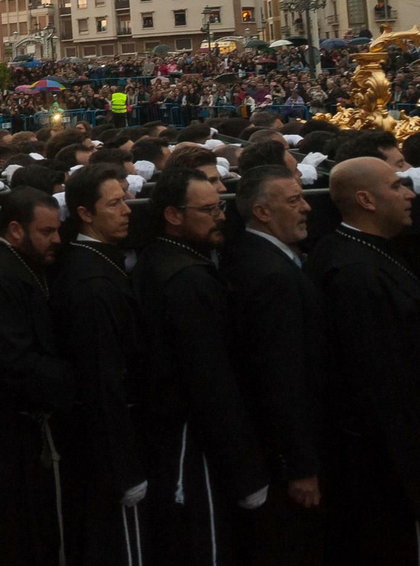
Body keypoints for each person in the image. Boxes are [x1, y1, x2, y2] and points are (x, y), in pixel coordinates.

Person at [307, 157, 420, 565]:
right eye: (396, 186)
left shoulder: (360, 250)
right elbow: (378, 377)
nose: (409, 194)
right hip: (385, 461)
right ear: (366, 200)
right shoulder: (356, 274)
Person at [133, 166, 268, 563]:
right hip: (193, 443)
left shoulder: (161, 258)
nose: (220, 217)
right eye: (208, 210)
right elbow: (211, 378)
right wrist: (245, 468)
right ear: (173, 215)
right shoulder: (187, 279)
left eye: (220, 207)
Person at [0, 186, 75, 566]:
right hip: (12, 431)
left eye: (57, 230)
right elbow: (11, 361)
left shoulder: (24, 265)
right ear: (15, 230)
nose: (56, 239)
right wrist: (74, 379)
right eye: (46, 232)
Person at [220, 166, 326, 566]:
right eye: (294, 200)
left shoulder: (255, 256)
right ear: (263, 212)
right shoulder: (271, 276)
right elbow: (282, 377)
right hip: (283, 459)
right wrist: (300, 466)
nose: (306, 208)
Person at [50, 164, 147, 566]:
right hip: (101, 449)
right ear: (85, 213)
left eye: (125, 200)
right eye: (114, 203)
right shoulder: (92, 282)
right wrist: (123, 467)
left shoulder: (98, 263)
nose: (126, 210)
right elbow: (101, 376)